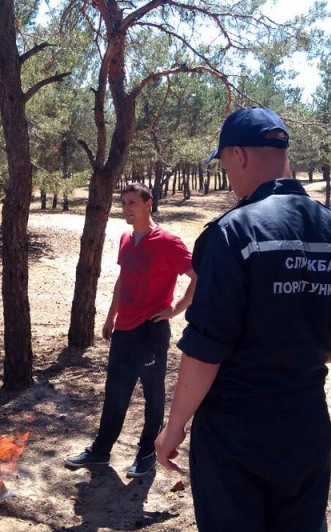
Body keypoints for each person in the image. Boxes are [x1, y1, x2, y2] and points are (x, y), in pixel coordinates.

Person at [154, 108, 331, 532]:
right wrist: (299, 357)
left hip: (235, 431)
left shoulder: (232, 233)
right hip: (307, 423)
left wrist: (175, 426)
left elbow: (206, 348)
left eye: (224, 166)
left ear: (238, 155)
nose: (228, 179)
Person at [66, 182, 197, 478]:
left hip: (151, 331)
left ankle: (147, 454)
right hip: (124, 329)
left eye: (132, 203)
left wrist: (176, 309)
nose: (126, 208)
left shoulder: (168, 241)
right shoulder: (126, 238)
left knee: (153, 394)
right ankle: (100, 451)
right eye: (123, 203)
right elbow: (123, 279)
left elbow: (197, 276)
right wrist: (110, 317)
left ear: (148, 204)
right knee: (115, 392)